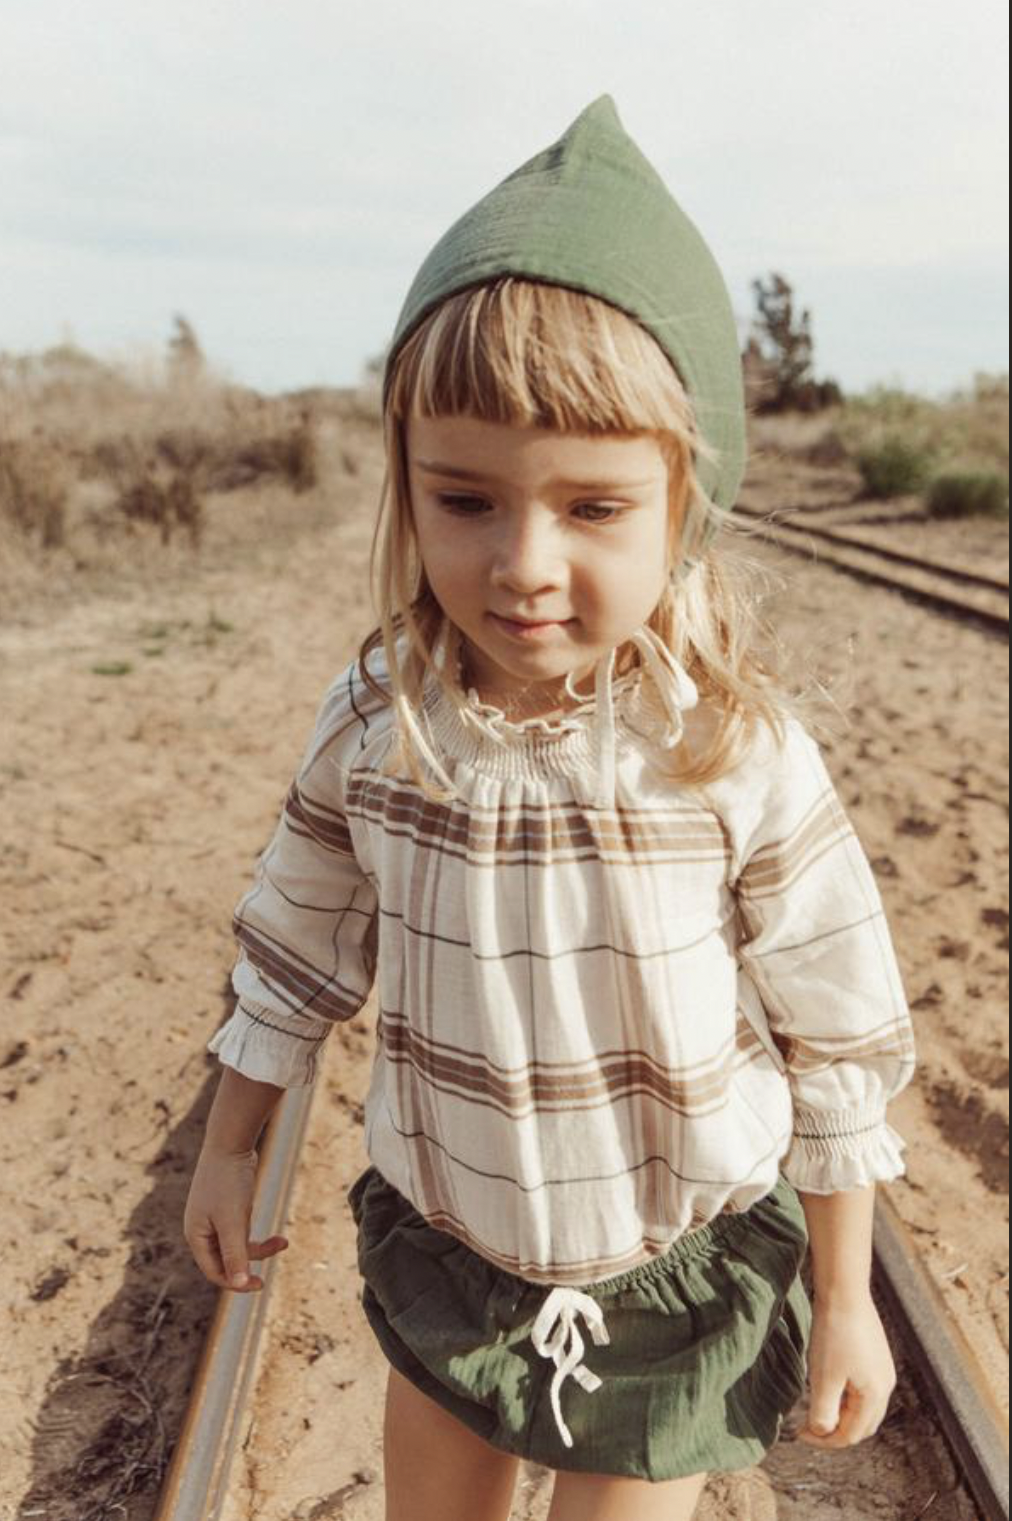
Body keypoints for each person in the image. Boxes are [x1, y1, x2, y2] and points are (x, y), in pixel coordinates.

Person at [184, 96, 916, 1521]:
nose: (523, 562)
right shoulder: (384, 720)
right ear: (405, 484)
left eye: (592, 510)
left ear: (683, 507)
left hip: (672, 1274)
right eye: (466, 500)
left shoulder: (729, 752)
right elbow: (289, 953)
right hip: (452, 1249)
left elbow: (837, 1043)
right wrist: (226, 1151)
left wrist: (843, 1297)